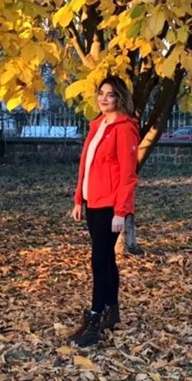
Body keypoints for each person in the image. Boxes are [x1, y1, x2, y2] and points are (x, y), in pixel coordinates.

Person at [68, 76, 140, 347]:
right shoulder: (98, 125)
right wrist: (78, 199)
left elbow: (128, 174)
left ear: (120, 97)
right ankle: (112, 311)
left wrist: (121, 211)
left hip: (111, 205)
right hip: (92, 201)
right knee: (106, 258)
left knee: (99, 261)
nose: (104, 98)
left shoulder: (125, 128)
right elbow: (85, 165)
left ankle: (95, 319)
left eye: (110, 94)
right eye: (101, 93)